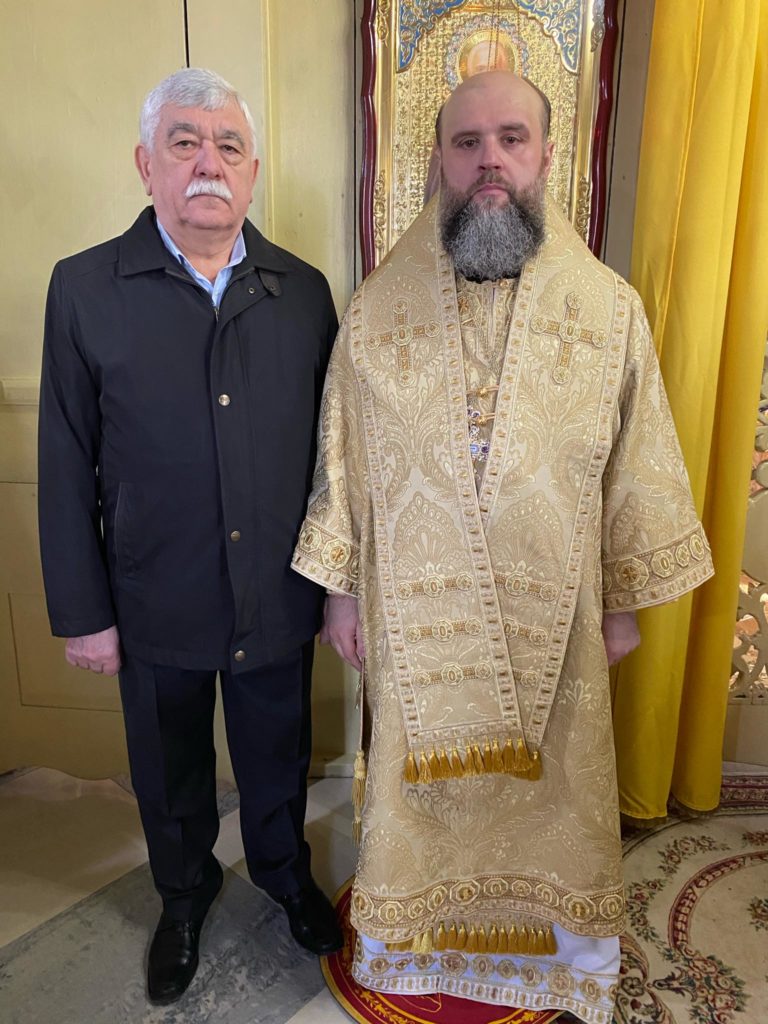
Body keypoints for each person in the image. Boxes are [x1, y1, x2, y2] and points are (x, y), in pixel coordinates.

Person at [292, 70, 714, 1022]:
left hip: (558, 620)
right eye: (468, 142)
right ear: (439, 160)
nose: (490, 161)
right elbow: (340, 460)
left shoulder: (609, 311)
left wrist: (621, 604)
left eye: (511, 139)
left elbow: (637, 465)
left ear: (546, 156)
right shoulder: (376, 311)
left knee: (556, 795)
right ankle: (418, 943)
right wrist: (341, 591)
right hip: (417, 623)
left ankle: (550, 950)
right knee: (417, 792)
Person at [38, 67, 343, 1006]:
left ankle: (284, 873)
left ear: (251, 172)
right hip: (151, 593)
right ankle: (183, 893)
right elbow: (64, 456)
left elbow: (337, 459)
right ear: (146, 164)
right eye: (184, 142)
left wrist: (338, 585)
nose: (208, 162)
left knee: (277, 753)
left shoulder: (304, 292)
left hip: (278, 589)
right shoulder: (84, 288)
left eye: (229, 146)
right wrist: (84, 613)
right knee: (168, 772)